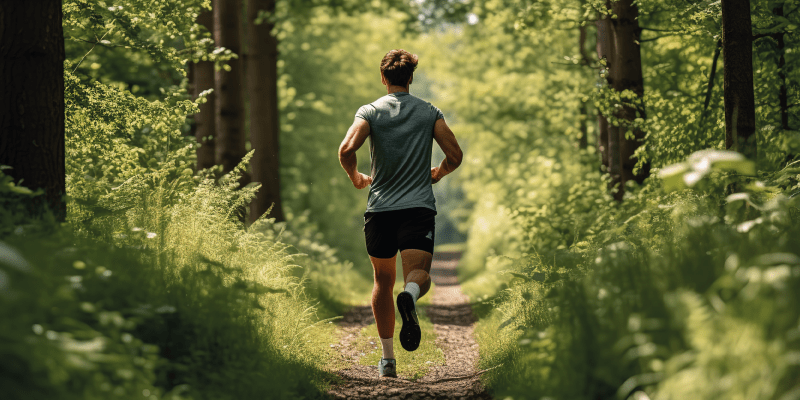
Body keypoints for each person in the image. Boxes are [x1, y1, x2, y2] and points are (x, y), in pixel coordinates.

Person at [338, 49, 463, 378]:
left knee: (382, 281)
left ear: (383, 77)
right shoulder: (429, 112)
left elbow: (346, 150)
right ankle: (409, 296)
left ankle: (388, 360)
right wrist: (439, 172)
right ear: (411, 78)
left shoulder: (370, 112)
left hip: (380, 210)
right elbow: (455, 155)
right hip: (417, 209)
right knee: (417, 275)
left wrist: (356, 178)